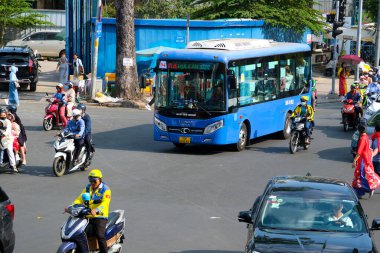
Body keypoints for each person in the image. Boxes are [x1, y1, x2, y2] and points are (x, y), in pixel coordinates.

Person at [65, 169, 111, 253]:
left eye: (94, 180)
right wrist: (71, 206)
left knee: (100, 235)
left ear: (100, 180)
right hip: (86, 215)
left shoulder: (105, 190)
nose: (92, 183)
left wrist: (96, 210)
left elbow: (105, 203)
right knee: (78, 232)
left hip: (99, 216)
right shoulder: (88, 187)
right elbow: (79, 199)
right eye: (90, 180)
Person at [352, 123, 380, 198]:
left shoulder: (363, 138)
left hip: (362, 160)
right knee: (359, 176)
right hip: (365, 159)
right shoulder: (366, 137)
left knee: (360, 176)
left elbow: (360, 151)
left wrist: (355, 160)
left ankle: (369, 188)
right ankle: (359, 193)